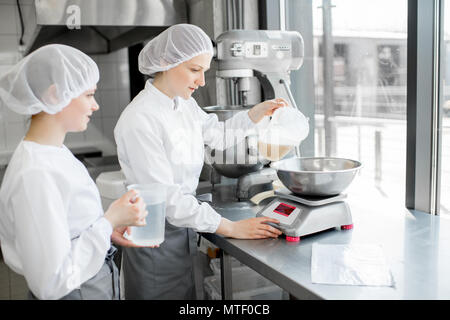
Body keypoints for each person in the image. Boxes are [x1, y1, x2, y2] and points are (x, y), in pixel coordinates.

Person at [114, 23, 285, 300]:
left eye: (204, 71)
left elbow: (217, 135)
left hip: (180, 230)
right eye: (195, 70)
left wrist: (255, 114)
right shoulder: (139, 119)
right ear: (167, 62)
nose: (202, 81)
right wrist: (230, 227)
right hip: (153, 237)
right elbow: (167, 199)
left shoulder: (183, 105)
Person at [0, 44, 149, 300]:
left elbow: (68, 230)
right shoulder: (34, 173)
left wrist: (106, 230)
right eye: (89, 95)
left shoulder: (55, 152)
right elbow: (51, 282)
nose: (96, 106)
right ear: (56, 95)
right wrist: (109, 220)